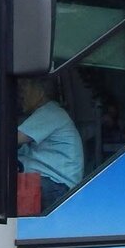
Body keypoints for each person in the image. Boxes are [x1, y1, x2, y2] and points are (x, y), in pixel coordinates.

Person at [14, 75, 83, 211]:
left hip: (55, 186)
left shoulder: (50, 113)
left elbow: (9, 140)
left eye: (24, 88)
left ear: (40, 91)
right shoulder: (42, 115)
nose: (20, 95)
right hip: (48, 182)